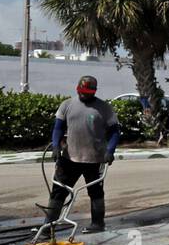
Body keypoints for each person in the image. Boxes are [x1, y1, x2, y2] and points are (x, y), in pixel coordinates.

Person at [44, 74, 119, 233]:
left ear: (94, 91)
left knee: (96, 192)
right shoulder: (67, 105)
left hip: (94, 159)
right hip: (69, 157)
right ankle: (48, 226)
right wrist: (56, 146)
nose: (84, 94)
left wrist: (110, 151)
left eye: (87, 92)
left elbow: (114, 132)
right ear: (77, 89)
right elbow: (58, 128)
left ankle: (98, 224)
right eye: (81, 91)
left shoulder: (104, 108)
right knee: (59, 191)